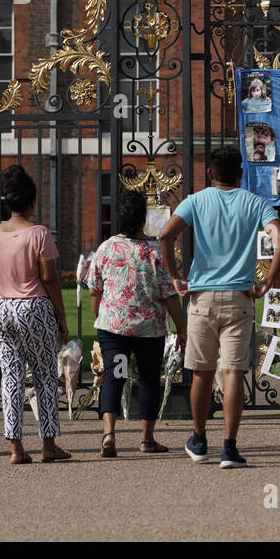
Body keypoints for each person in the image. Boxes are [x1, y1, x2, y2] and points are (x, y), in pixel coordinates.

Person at [159, 146, 280, 469]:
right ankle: (229, 447)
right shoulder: (254, 203)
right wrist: (267, 281)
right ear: (241, 174)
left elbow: (165, 234)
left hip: (202, 297)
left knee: (202, 373)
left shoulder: (196, 200)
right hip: (239, 297)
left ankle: (199, 438)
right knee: (233, 372)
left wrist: (175, 276)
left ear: (209, 174)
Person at [0, 166, 71, 464]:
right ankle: (48, 444)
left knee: (10, 376)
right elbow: (49, 277)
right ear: (31, 202)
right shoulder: (39, 233)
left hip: (0, 306)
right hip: (33, 305)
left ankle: (15, 447)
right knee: (45, 375)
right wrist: (61, 316)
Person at [87, 192, 187, 457]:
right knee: (149, 380)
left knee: (115, 376)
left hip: (114, 329)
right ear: (144, 218)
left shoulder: (106, 248)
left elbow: (94, 289)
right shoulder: (154, 252)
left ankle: (109, 433)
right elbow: (168, 295)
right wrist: (182, 328)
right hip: (148, 330)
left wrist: (101, 318)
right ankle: (147, 438)